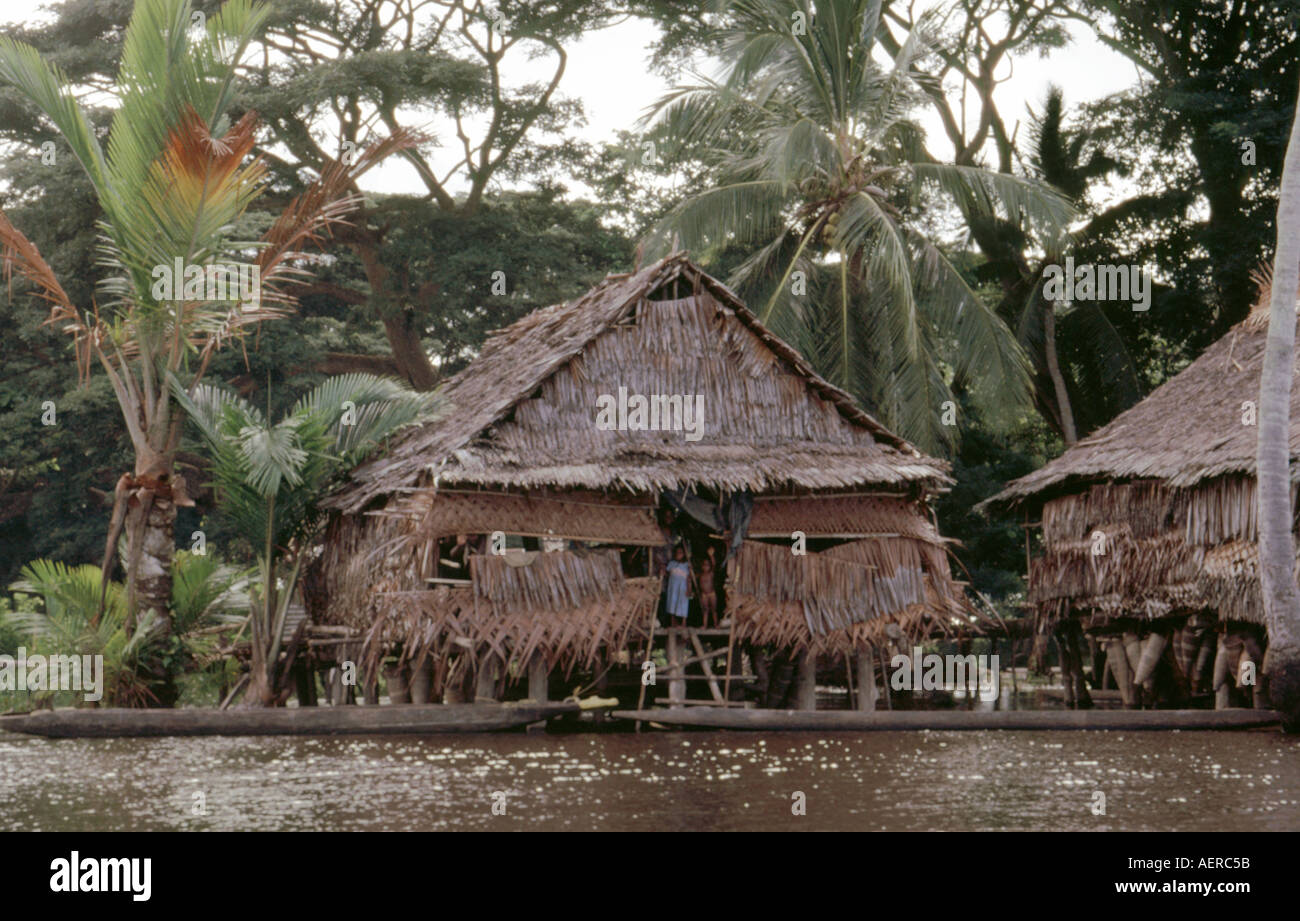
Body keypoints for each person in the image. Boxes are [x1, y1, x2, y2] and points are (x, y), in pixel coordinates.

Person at [665, 545, 694, 626]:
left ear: (684, 554)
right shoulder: (671, 563)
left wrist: (689, 589)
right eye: (677, 552)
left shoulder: (686, 564)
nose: (679, 554)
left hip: (683, 588)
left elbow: (690, 578)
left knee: (683, 604)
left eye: (681, 553)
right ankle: (673, 622)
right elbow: (667, 574)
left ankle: (683, 623)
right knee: (672, 603)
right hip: (673, 588)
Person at [698, 546, 718, 627]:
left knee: (714, 610)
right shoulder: (701, 575)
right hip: (704, 594)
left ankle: (716, 624)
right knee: (705, 610)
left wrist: (711, 556)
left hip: (711, 593)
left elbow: (714, 564)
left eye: (707, 565)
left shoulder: (711, 573)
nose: (706, 566)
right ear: (702, 566)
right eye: (704, 565)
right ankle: (704, 625)